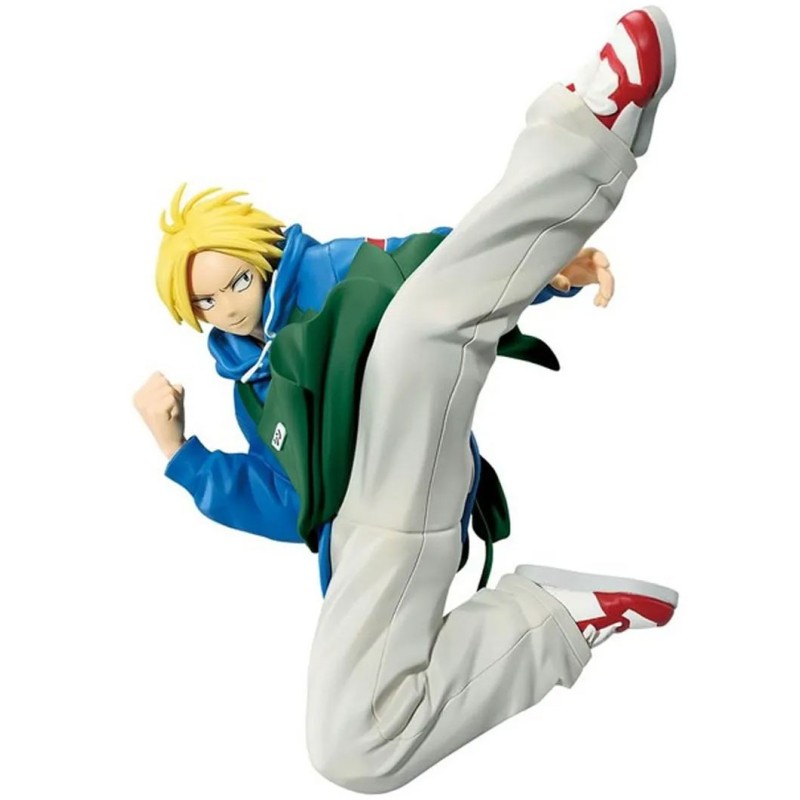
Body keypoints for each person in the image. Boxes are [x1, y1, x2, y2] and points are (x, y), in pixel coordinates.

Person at [134, 5, 678, 792]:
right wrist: (179, 452)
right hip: (364, 530)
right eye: (208, 303)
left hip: (404, 427)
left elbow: (431, 262)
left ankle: (587, 121)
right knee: (347, 746)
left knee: (414, 329)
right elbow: (287, 504)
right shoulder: (250, 393)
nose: (230, 308)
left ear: (262, 258)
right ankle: (553, 617)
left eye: (237, 282)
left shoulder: (327, 270)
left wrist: (543, 273)